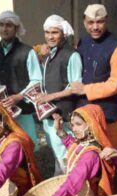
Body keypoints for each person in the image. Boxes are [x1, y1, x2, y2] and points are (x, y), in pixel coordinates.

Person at [31, 104, 115, 196]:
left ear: (92, 124)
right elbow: (73, 146)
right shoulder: (85, 143)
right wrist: (59, 130)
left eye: (79, 124)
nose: (74, 129)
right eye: (73, 125)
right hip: (76, 192)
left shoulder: (90, 155)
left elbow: (73, 182)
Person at [0, 10, 42, 151]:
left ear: (16, 28)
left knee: (26, 142)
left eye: (8, 25)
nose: (4, 28)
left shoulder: (27, 51)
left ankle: (28, 171)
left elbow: (36, 79)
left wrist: (19, 96)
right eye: (1, 25)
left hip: (22, 107)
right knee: (1, 143)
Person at [71, 4, 117, 149]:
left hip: (107, 114)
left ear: (106, 21)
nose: (95, 27)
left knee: (108, 157)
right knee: (86, 155)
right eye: (90, 22)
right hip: (84, 112)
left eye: (99, 22)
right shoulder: (82, 42)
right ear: (84, 21)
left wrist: (86, 90)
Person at [35, 14, 83, 175]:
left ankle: (71, 188)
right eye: (47, 32)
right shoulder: (49, 55)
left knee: (66, 153)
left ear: (62, 33)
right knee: (56, 152)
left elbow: (75, 87)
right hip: (50, 112)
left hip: (63, 112)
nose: (50, 36)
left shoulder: (72, 55)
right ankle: (60, 182)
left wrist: (50, 97)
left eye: (54, 32)